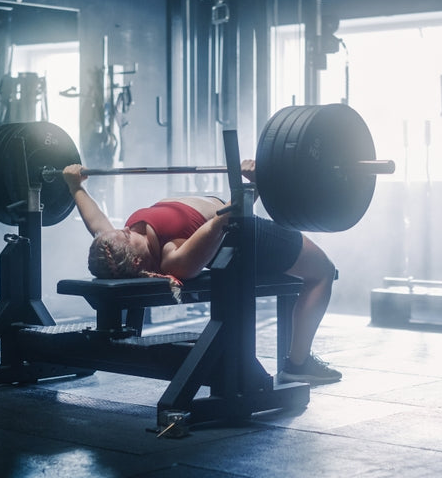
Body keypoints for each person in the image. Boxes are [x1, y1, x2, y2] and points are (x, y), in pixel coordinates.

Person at [62, 162, 341, 384]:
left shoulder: (116, 245)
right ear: (138, 261)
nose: (125, 229)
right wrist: (253, 185)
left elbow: (97, 224)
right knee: (322, 272)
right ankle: (298, 364)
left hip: (235, 222)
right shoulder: (175, 258)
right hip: (243, 231)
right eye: (126, 235)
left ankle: (298, 356)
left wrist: (75, 187)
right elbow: (224, 221)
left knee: (307, 271)